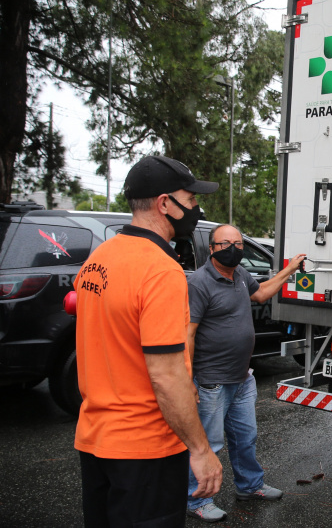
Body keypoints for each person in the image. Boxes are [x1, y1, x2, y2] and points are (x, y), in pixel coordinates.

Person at [73, 154, 223, 527]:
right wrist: (201, 450)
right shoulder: (161, 271)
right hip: (145, 450)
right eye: (190, 200)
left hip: (95, 440)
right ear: (164, 204)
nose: (196, 209)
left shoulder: (98, 258)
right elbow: (166, 375)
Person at [185, 224, 307, 522]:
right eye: (226, 243)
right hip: (212, 380)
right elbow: (187, 333)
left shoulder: (239, 274)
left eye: (238, 243)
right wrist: (187, 379)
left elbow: (262, 293)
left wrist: (289, 269)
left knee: (245, 437)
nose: (233, 248)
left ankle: (249, 486)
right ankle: (196, 499)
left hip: (242, 377)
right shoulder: (199, 283)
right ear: (212, 248)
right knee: (208, 444)